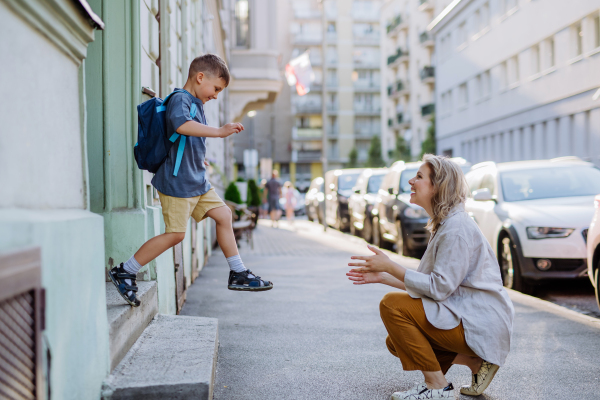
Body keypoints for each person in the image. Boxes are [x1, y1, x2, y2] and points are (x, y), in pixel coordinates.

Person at [109, 54, 273, 307]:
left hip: (196, 180)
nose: (216, 94)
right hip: (177, 183)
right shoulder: (181, 99)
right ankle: (126, 270)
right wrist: (219, 132)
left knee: (224, 215)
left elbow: (188, 139)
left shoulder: (197, 104)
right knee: (175, 235)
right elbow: (180, 126)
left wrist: (199, 158)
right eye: (216, 88)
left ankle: (237, 272)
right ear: (199, 77)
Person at [346, 154, 514, 400]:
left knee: (391, 305)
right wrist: (383, 275)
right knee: (397, 342)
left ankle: (438, 386)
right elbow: (428, 283)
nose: (411, 182)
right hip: (467, 316)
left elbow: (438, 289)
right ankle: (475, 361)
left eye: (420, 177)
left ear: (438, 187)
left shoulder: (456, 229)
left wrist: (392, 267)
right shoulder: (447, 223)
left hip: (478, 322)